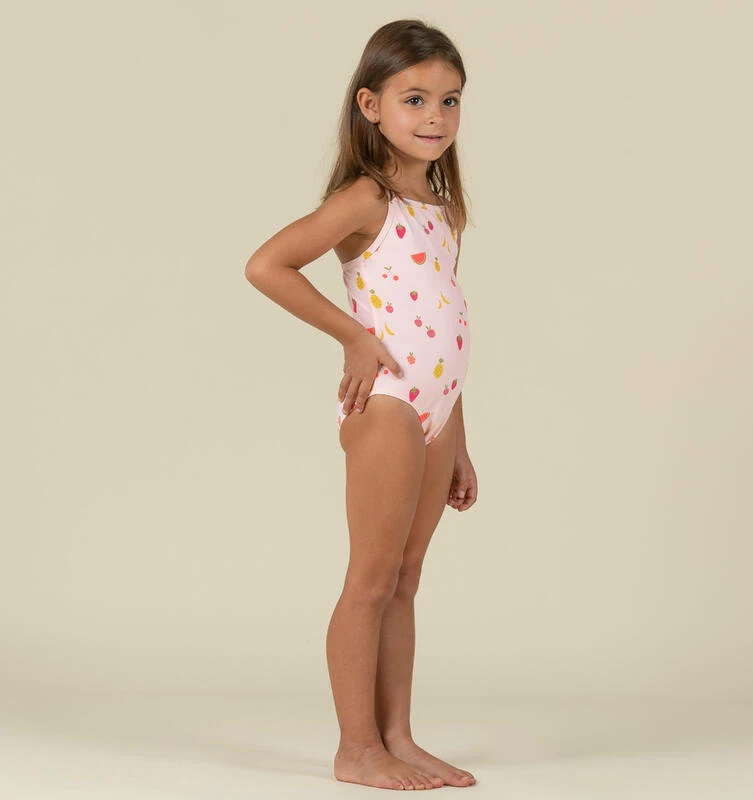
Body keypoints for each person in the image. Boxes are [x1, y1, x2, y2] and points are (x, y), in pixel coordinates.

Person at [245, 19, 478, 791]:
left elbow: (444, 326)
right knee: (372, 581)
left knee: (407, 579)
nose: (435, 116)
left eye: (449, 99)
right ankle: (356, 748)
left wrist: (460, 436)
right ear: (371, 105)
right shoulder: (366, 197)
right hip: (388, 406)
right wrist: (352, 336)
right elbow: (267, 265)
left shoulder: (441, 207)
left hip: (437, 409)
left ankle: (397, 737)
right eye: (415, 99)